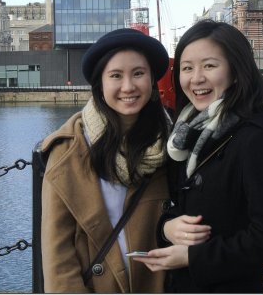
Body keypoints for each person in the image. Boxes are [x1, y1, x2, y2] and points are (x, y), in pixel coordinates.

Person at [133, 20, 263, 293]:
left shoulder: (257, 139)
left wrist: (192, 257)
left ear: (236, 70)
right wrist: (167, 228)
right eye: (187, 68)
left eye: (209, 66)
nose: (196, 78)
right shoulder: (187, 133)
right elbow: (180, 204)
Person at [40, 28, 173, 293]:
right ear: (100, 83)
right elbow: (59, 257)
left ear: (151, 79)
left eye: (138, 73)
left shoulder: (172, 142)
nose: (128, 87)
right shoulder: (69, 148)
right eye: (115, 76)